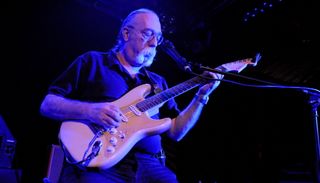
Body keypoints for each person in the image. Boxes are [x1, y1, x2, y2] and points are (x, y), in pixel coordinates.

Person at [40, 8, 223, 183]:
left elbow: (176, 132)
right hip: (99, 161)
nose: (153, 43)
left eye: (157, 38)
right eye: (147, 34)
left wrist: (201, 96)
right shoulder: (93, 61)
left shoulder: (157, 82)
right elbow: (48, 105)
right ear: (126, 34)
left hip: (149, 165)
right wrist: (90, 110)